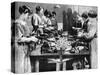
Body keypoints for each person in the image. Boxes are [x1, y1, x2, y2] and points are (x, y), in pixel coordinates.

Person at [11, 5, 33, 73]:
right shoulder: (17, 23)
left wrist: (31, 36)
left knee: (26, 68)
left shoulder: (23, 23)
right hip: (18, 48)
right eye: (28, 15)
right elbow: (19, 39)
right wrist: (31, 39)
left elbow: (25, 34)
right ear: (24, 13)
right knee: (20, 69)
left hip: (24, 48)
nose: (28, 17)